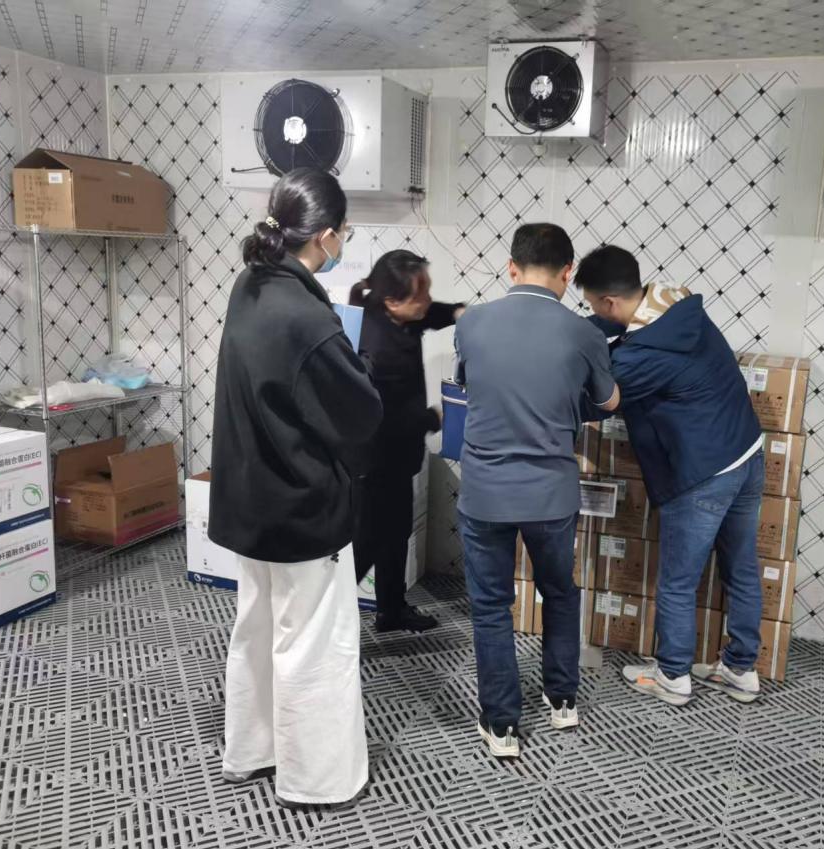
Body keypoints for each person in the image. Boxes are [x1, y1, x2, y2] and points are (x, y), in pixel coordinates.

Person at [209, 168, 382, 808]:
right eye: (345, 235)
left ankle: (251, 751)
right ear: (327, 236)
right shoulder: (309, 318)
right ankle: (317, 779)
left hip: (248, 499)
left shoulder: (249, 284)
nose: (343, 245)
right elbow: (360, 416)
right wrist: (360, 367)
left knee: (256, 632)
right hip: (302, 506)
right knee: (314, 645)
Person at [455, 223, 620, 759]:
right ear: (568, 274)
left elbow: (469, 383)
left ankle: (502, 726)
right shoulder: (584, 334)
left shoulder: (472, 322)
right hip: (551, 494)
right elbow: (610, 401)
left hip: (485, 493)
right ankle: (562, 699)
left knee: (491, 607)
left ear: (511, 267)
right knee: (560, 592)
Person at [576, 244, 765, 706]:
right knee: (740, 567)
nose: (593, 313)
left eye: (592, 305)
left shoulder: (643, 357)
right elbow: (605, 330)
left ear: (609, 302)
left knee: (678, 581)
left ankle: (673, 675)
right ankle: (741, 669)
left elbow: (596, 403)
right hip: (746, 453)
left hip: (702, 473)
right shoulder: (676, 308)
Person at [350, 250, 464, 633]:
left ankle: (392, 610)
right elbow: (386, 420)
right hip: (374, 463)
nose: (428, 300)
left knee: (396, 535)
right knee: (363, 547)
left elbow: (429, 314)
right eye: (421, 294)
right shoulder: (377, 346)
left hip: (396, 461)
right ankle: (325, 630)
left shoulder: (394, 314)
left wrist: (458, 312)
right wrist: (435, 418)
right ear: (392, 301)